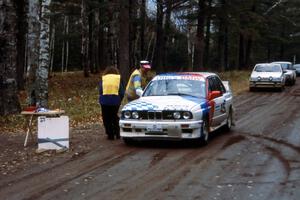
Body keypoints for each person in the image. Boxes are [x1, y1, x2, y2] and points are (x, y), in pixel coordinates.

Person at [99, 66, 124, 140]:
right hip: (115, 100)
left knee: (106, 118)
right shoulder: (118, 78)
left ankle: (110, 134)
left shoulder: (103, 78)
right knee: (114, 116)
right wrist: (120, 100)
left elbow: (101, 90)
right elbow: (121, 92)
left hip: (104, 101)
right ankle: (117, 133)